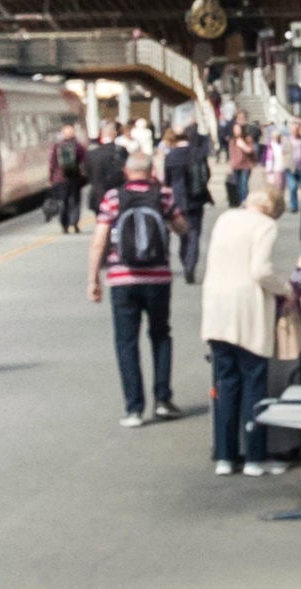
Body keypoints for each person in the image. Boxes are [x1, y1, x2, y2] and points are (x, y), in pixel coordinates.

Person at [199, 176, 291, 475]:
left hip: (216, 307)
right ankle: (254, 456)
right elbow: (260, 270)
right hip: (247, 309)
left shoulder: (225, 219)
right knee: (254, 381)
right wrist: (285, 290)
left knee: (225, 382)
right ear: (271, 209)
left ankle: (225, 456)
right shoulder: (265, 226)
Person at [89, 156, 186, 425]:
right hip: (158, 279)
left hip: (123, 280)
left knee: (126, 342)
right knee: (161, 336)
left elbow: (98, 242)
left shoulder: (113, 198)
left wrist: (93, 279)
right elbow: (182, 227)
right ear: (151, 172)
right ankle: (163, 400)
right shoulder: (163, 195)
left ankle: (134, 409)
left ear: (126, 172)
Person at [162, 120, 212, 283]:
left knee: (183, 233)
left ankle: (185, 262)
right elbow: (207, 175)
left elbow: (167, 179)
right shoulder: (197, 153)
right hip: (197, 197)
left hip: (178, 198)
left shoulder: (171, 156)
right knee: (195, 233)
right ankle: (191, 264)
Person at [49, 125, 86, 232]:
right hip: (75, 178)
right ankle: (74, 223)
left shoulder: (57, 146)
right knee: (75, 201)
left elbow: (52, 163)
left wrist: (51, 178)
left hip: (60, 179)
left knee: (63, 202)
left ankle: (64, 225)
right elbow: (84, 161)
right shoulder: (78, 146)